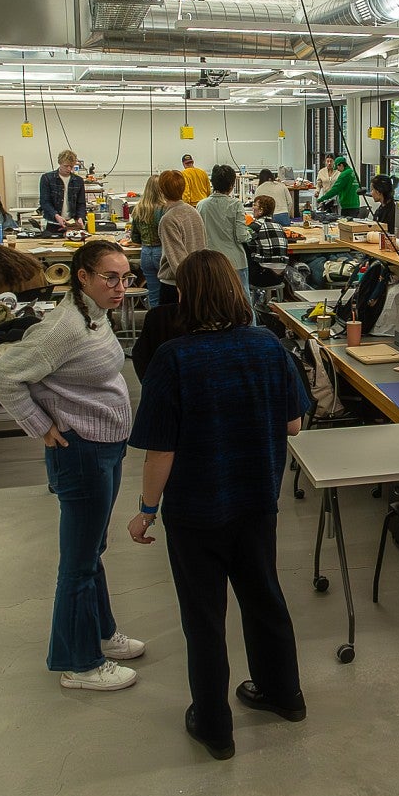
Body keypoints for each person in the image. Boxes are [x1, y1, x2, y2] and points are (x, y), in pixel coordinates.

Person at [127, 249, 311, 760]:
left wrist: (146, 510)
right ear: (234, 288)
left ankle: (214, 725)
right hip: (256, 500)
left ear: (185, 296)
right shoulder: (267, 345)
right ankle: (285, 694)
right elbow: (294, 423)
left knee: (204, 617)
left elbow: (160, 450)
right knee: (264, 598)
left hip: (196, 511)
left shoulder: (174, 358)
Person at [0, 240, 143, 692]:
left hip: (105, 445)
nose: (120, 287)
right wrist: (38, 424)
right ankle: (80, 663)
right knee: (77, 562)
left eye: (125, 277)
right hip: (81, 452)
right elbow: (2, 376)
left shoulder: (94, 315)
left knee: (93, 550)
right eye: (110, 278)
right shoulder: (64, 328)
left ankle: (101, 633)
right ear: (83, 277)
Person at [198, 164, 252, 303]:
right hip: (235, 262)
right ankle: (250, 325)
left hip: (210, 262)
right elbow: (241, 236)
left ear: (212, 183)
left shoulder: (202, 205)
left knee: (213, 302)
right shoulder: (235, 204)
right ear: (232, 184)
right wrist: (250, 234)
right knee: (242, 301)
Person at [155, 169, 207, 307]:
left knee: (170, 326)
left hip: (176, 286)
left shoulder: (169, 219)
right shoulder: (193, 212)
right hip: (196, 280)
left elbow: (176, 258)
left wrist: (184, 287)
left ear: (161, 191)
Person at [130, 175, 165, 307]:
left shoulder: (139, 208)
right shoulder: (164, 209)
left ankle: (153, 323)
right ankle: (165, 324)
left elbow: (134, 238)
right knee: (167, 293)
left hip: (145, 253)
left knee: (153, 295)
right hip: (161, 252)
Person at [39, 149, 87, 234]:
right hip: (53, 224)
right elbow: (45, 202)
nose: (69, 169)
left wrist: (80, 217)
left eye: (71, 166)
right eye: (66, 166)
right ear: (60, 163)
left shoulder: (78, 181)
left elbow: (81, 203)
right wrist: (56, 216)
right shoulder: (47, 178)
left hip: (72, 225)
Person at [248, 194, 290, 289]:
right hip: (281, 276)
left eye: (254, 205)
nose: (252, 208)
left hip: (262, 277)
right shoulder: (279, 226)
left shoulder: (255, 226)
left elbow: (243, 241)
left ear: (261, 210)